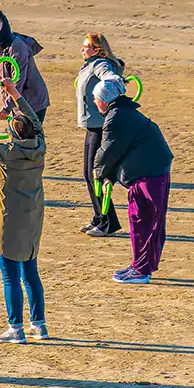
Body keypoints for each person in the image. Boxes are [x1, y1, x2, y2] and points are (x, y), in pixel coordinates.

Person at [0, 79, 48, 343]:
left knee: (10, 276)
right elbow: (34, 120)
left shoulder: (7, 153)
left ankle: (15, 329)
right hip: (33, 216)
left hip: (8, 220)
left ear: (13, 136)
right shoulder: (39, 146)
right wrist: (14, 93)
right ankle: (39, 325)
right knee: (31, 272)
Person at [92, 76, 173, 285]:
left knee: (145, 221)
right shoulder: (121, 113)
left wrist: (99, 174)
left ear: (105, 100)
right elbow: (119, 149)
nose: (94, 102)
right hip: (148, 171)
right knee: (141, 220)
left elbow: (108, 151)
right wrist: (110, 176)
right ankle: (140, 265)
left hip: (149, 173)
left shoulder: (116, 117)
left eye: (96, 98)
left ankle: (141, 271)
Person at [74, 32, 127, 237]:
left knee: (96, 175)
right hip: (91, 125)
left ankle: (109, 222)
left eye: (86, 46)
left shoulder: (100, 64)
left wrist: (115, 81)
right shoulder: (88, 65)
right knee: (87, 174)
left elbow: (109, 76)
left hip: (100, 126)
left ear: (97, 50)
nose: (82, 48)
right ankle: (99, 217)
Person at [0, 10, 50, 126]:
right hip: (14, 101)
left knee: (30, 135)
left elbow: (19, 79)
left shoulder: (17, 46)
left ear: (4, 26)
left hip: (32, 101)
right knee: (16, 135)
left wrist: (7, 107)